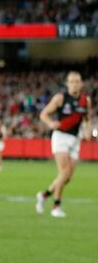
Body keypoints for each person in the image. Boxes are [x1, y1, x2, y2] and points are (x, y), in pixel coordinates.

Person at [36, 71, 93, 218]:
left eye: (77, 81)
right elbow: (43, 114)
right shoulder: (60, 98)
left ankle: (43, 195)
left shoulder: (85, 100)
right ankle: (56, 206)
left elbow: (87, 118)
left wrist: (87, 131)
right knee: (64, 172)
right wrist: (50, 123)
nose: (75, 83)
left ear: (81, 84)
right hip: (61, 137)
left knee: (67, 178)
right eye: (72, 81)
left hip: (75, 139)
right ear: (67, 84)